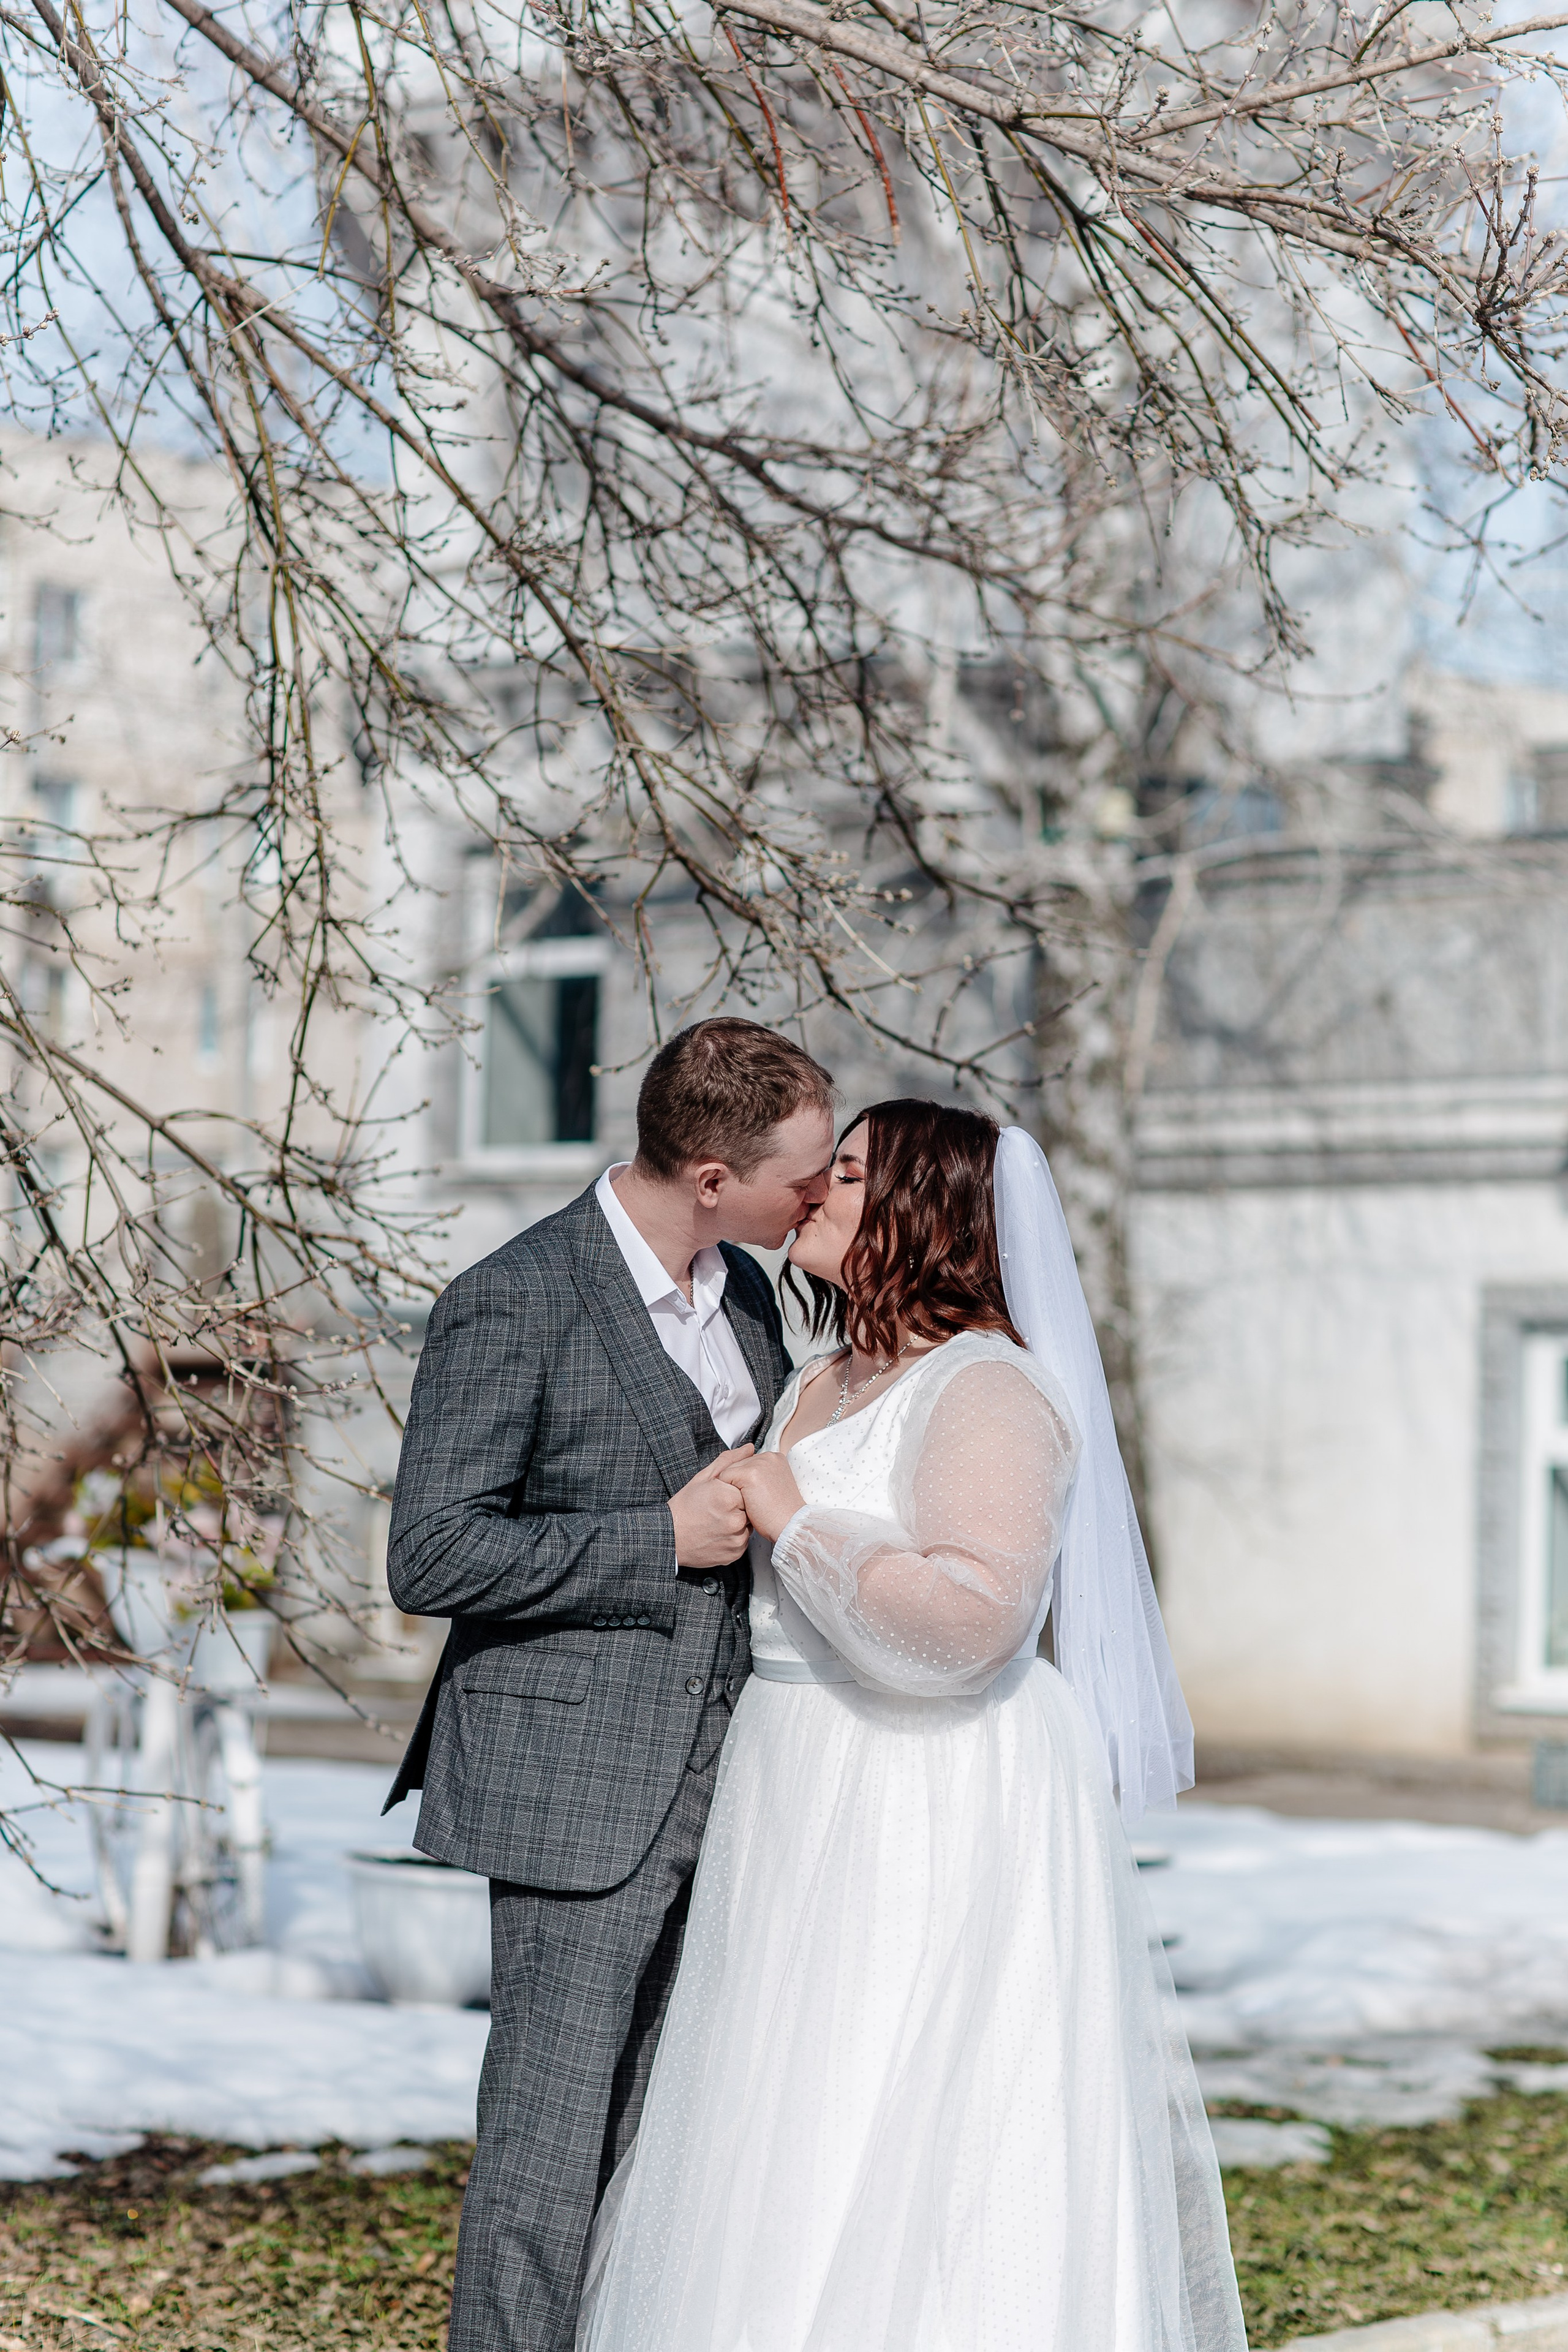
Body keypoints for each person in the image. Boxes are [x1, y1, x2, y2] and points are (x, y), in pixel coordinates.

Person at [576, 1098, 1247, 2352]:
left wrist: (797, 1521)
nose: (812, 1195)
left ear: (927, 1214)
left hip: (919, 1796)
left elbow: (968, 1624)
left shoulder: (987, 1390)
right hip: (795, 1782)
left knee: (899, 2113)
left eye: (846, 1176)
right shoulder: (823, 1378)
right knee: (778, 2115)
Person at [382, 1017, 837, 2352]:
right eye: (801, 1174)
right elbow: (432, 1550)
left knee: (666, 2137)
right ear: (711, 1175)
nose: (814, 1195)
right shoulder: (513, 1297)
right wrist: (654, 1539)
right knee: (545, 2150)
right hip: (572, 1791)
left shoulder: (747, 1291)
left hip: (733, 1775)